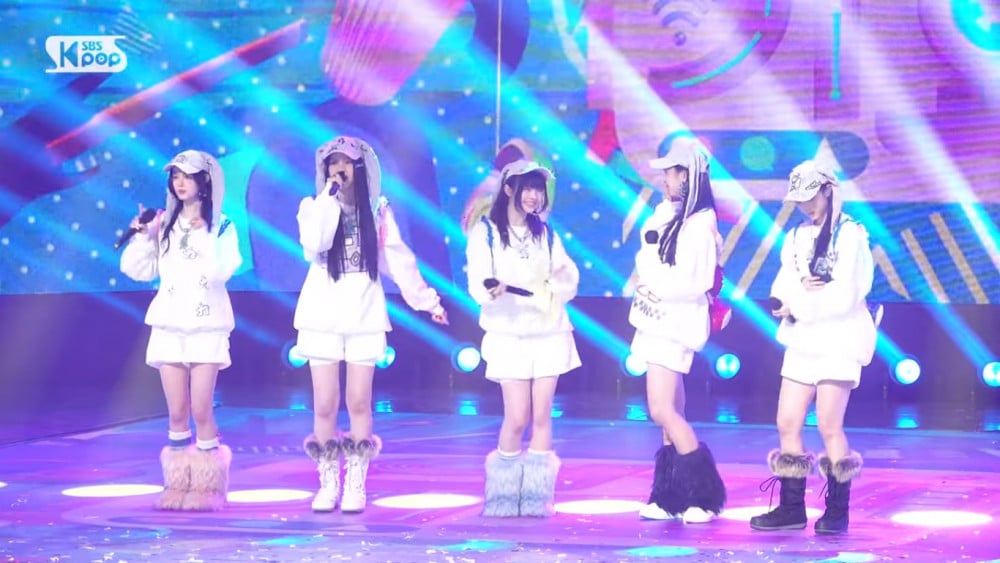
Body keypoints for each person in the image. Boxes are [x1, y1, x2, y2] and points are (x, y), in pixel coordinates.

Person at [294, 136, 449, 514]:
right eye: (332, 163)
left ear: (360, 167)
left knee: (359, 400)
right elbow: (314, 244)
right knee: (325, 402)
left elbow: (398, 259)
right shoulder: (313, 206)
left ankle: (355, 483)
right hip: (321, 316)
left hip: (364, 315)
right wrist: (328, 199)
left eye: (346, 163)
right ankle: (328, 481)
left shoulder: (377, 210)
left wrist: (427, 301)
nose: (339, 169)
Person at [749, 160, 875, 535]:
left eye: (809, 196)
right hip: (803, 338)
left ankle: (837, 511)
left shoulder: (850, 235)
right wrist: (786, 300)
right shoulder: (797, 236)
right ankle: (792, 508)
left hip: (838, 339)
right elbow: (786, 281)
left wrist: (801, 302)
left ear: (827, 190)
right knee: (787, 420)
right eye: (799, 199)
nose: (804, 205)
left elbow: (845, 294)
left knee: (828, 425)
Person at [120, 149, 242, 511]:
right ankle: (176, 485)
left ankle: (208, 486)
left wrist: (207, 231)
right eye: (175, 176)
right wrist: (145, 237)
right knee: (176, 411)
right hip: (170, 323)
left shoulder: (223, 225)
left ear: (205, 181)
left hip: (206, 325)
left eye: (187, 176)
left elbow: (224, 269)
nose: (180, 182)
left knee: (201, 408)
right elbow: (138, 270)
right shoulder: (164, 224)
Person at [465, 159, 580, 518]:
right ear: (509, 189)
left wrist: (558, 282)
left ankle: (535, 498)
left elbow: (568, 275)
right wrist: (490, 289)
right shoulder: (485, 232)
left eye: (538, 190)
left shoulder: (547, 234)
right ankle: (502, 497)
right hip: (509, 333)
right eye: (527, 188)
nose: (533, 196)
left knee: (542, 415)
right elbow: (478, 279)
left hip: (548, 331)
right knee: (517, 417)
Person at [628, 139, 727, 524]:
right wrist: (650, 276)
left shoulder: (701, 224)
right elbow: (646, 256)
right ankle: (669, 494)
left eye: (671, 173)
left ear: (689, 177)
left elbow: (694, 281)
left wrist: (653, 281)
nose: (665, 180)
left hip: (675, 322)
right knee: (672, 409)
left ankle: (703, 493)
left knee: (661, 410)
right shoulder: (666, 213)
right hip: (656, 318)